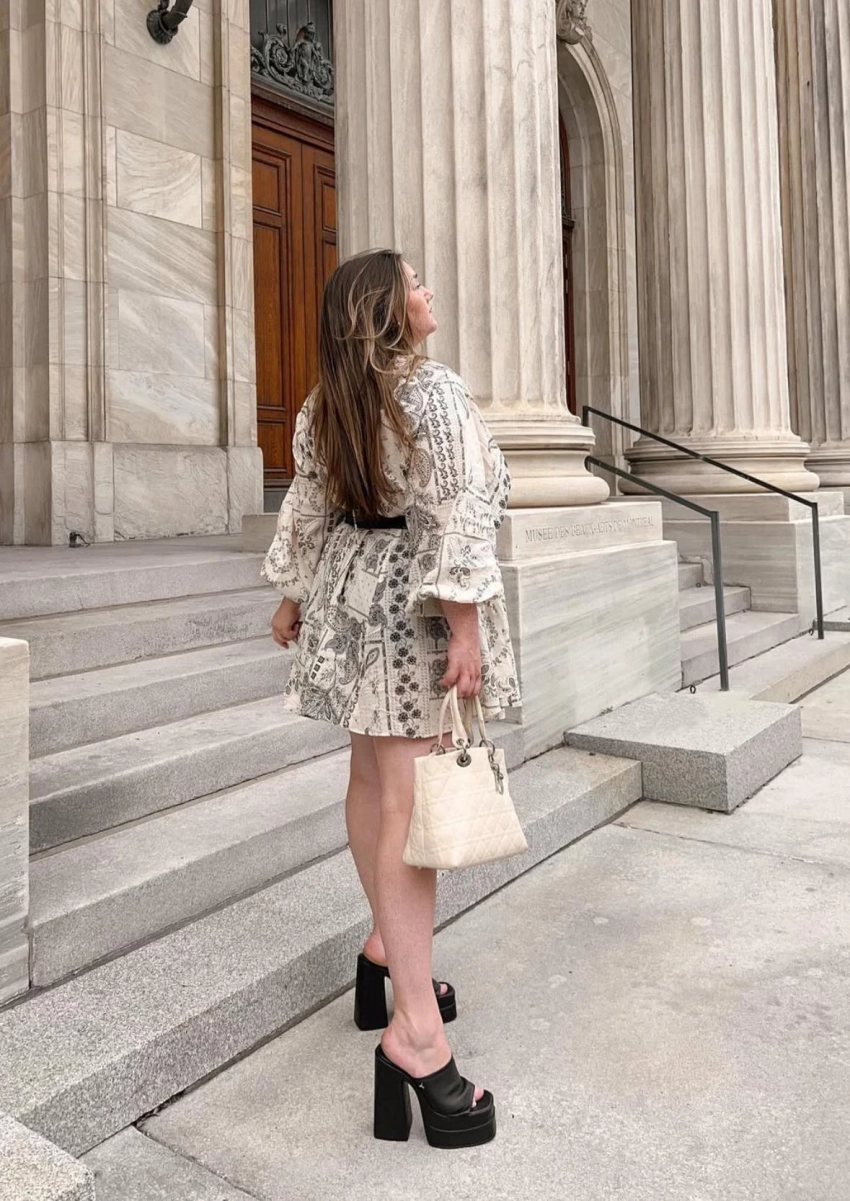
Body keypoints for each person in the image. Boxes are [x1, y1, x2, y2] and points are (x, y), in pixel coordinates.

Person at [262, 249, 520, 1149]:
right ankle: (415, 1029)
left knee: (375, 786)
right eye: (413, 283)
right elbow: (458, 509)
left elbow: (308, 506)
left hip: (351, 597)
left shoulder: (325, 402)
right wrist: (467, 626)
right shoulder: (430, 392)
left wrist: (293, 595)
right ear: (385, 309)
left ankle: (385, 952)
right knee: (410, 808)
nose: (427, 291)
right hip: (413, 607)